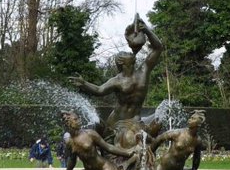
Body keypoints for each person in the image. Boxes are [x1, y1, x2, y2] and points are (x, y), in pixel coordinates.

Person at [69, 14, 163, 147]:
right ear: (122, 62)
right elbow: (99, 90)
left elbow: (158, 48)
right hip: (117, 122)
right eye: (126, 54)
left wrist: (146, 30)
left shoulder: (144, 70)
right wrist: (84, 84)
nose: (130, 53)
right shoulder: (117, 80)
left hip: (136, 120)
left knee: (159, 119)